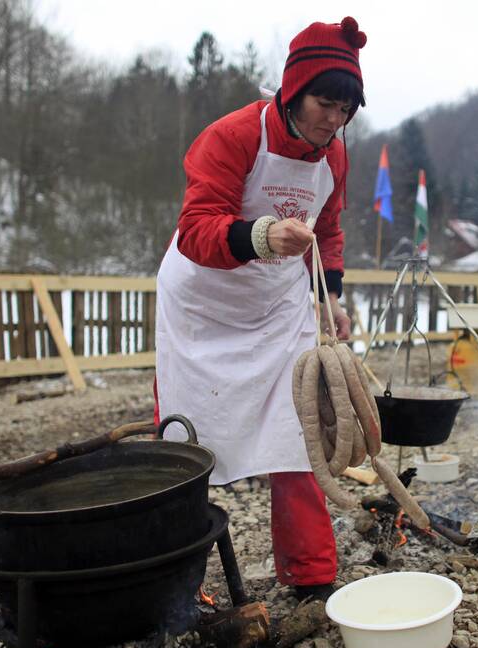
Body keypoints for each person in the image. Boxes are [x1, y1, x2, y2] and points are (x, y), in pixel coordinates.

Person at [153, 17, 368, 601]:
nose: (335, 119)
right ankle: (173, 584)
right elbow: (196, 228)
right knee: (184, 446)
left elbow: (328, 228)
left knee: (299, 437)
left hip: (276, 307)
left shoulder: (335, 157)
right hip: (204, 306)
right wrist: (263, 237)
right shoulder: (233, 135)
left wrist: (331, 299)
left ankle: (312, 576)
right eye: (326, 103)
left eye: (346, 108)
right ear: (295, 91)